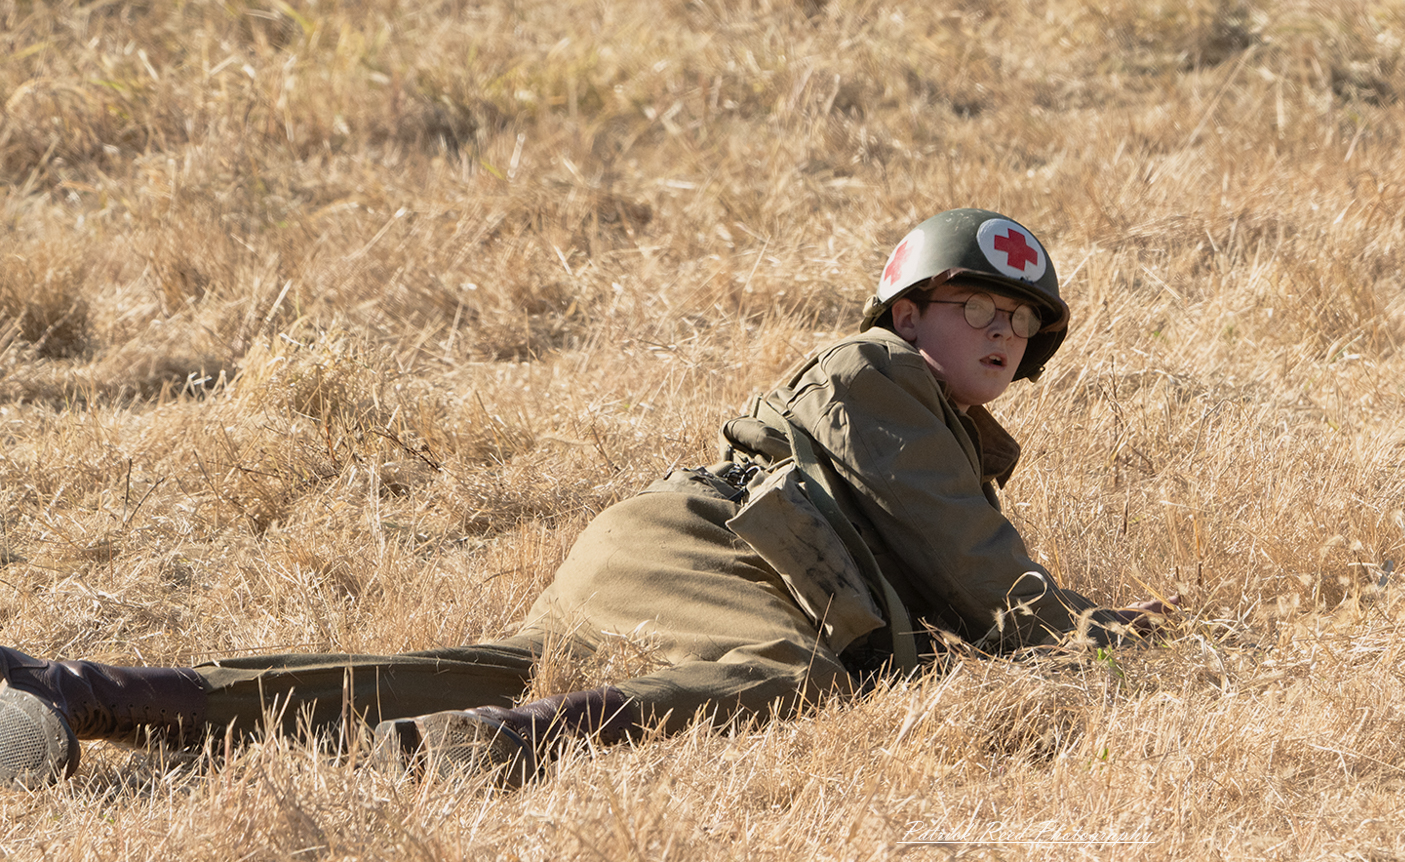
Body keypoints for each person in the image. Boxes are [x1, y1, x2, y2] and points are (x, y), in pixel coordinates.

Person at [0, 208, 1176, 790]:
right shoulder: (877, 372)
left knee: (465, 663)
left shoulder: (947, 426)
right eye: (979, 306)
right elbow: (968, 556)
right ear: (907, 313)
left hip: (666, 561)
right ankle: (469, 755)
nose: (1004, 334)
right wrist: (1089, 634)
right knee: (788, 673)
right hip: (718, 550)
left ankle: (76, 696)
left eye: (1022, 326)